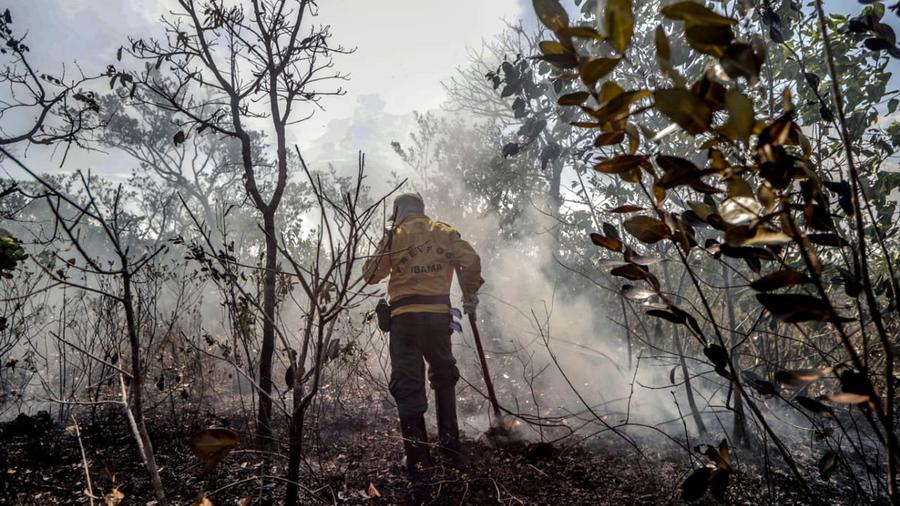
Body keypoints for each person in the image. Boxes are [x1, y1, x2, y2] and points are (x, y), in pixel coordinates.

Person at [363, 193, 483, 481]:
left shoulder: (395, 236)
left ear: (398, 213)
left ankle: (418, 459)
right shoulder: (443, 232)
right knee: (443, 375)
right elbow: (471, 259)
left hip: (404, 320)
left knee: (408, 384)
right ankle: (450, 447)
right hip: (438, 318)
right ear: (421, 210)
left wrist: (386, 241)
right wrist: (471, 292)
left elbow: (369, 275)